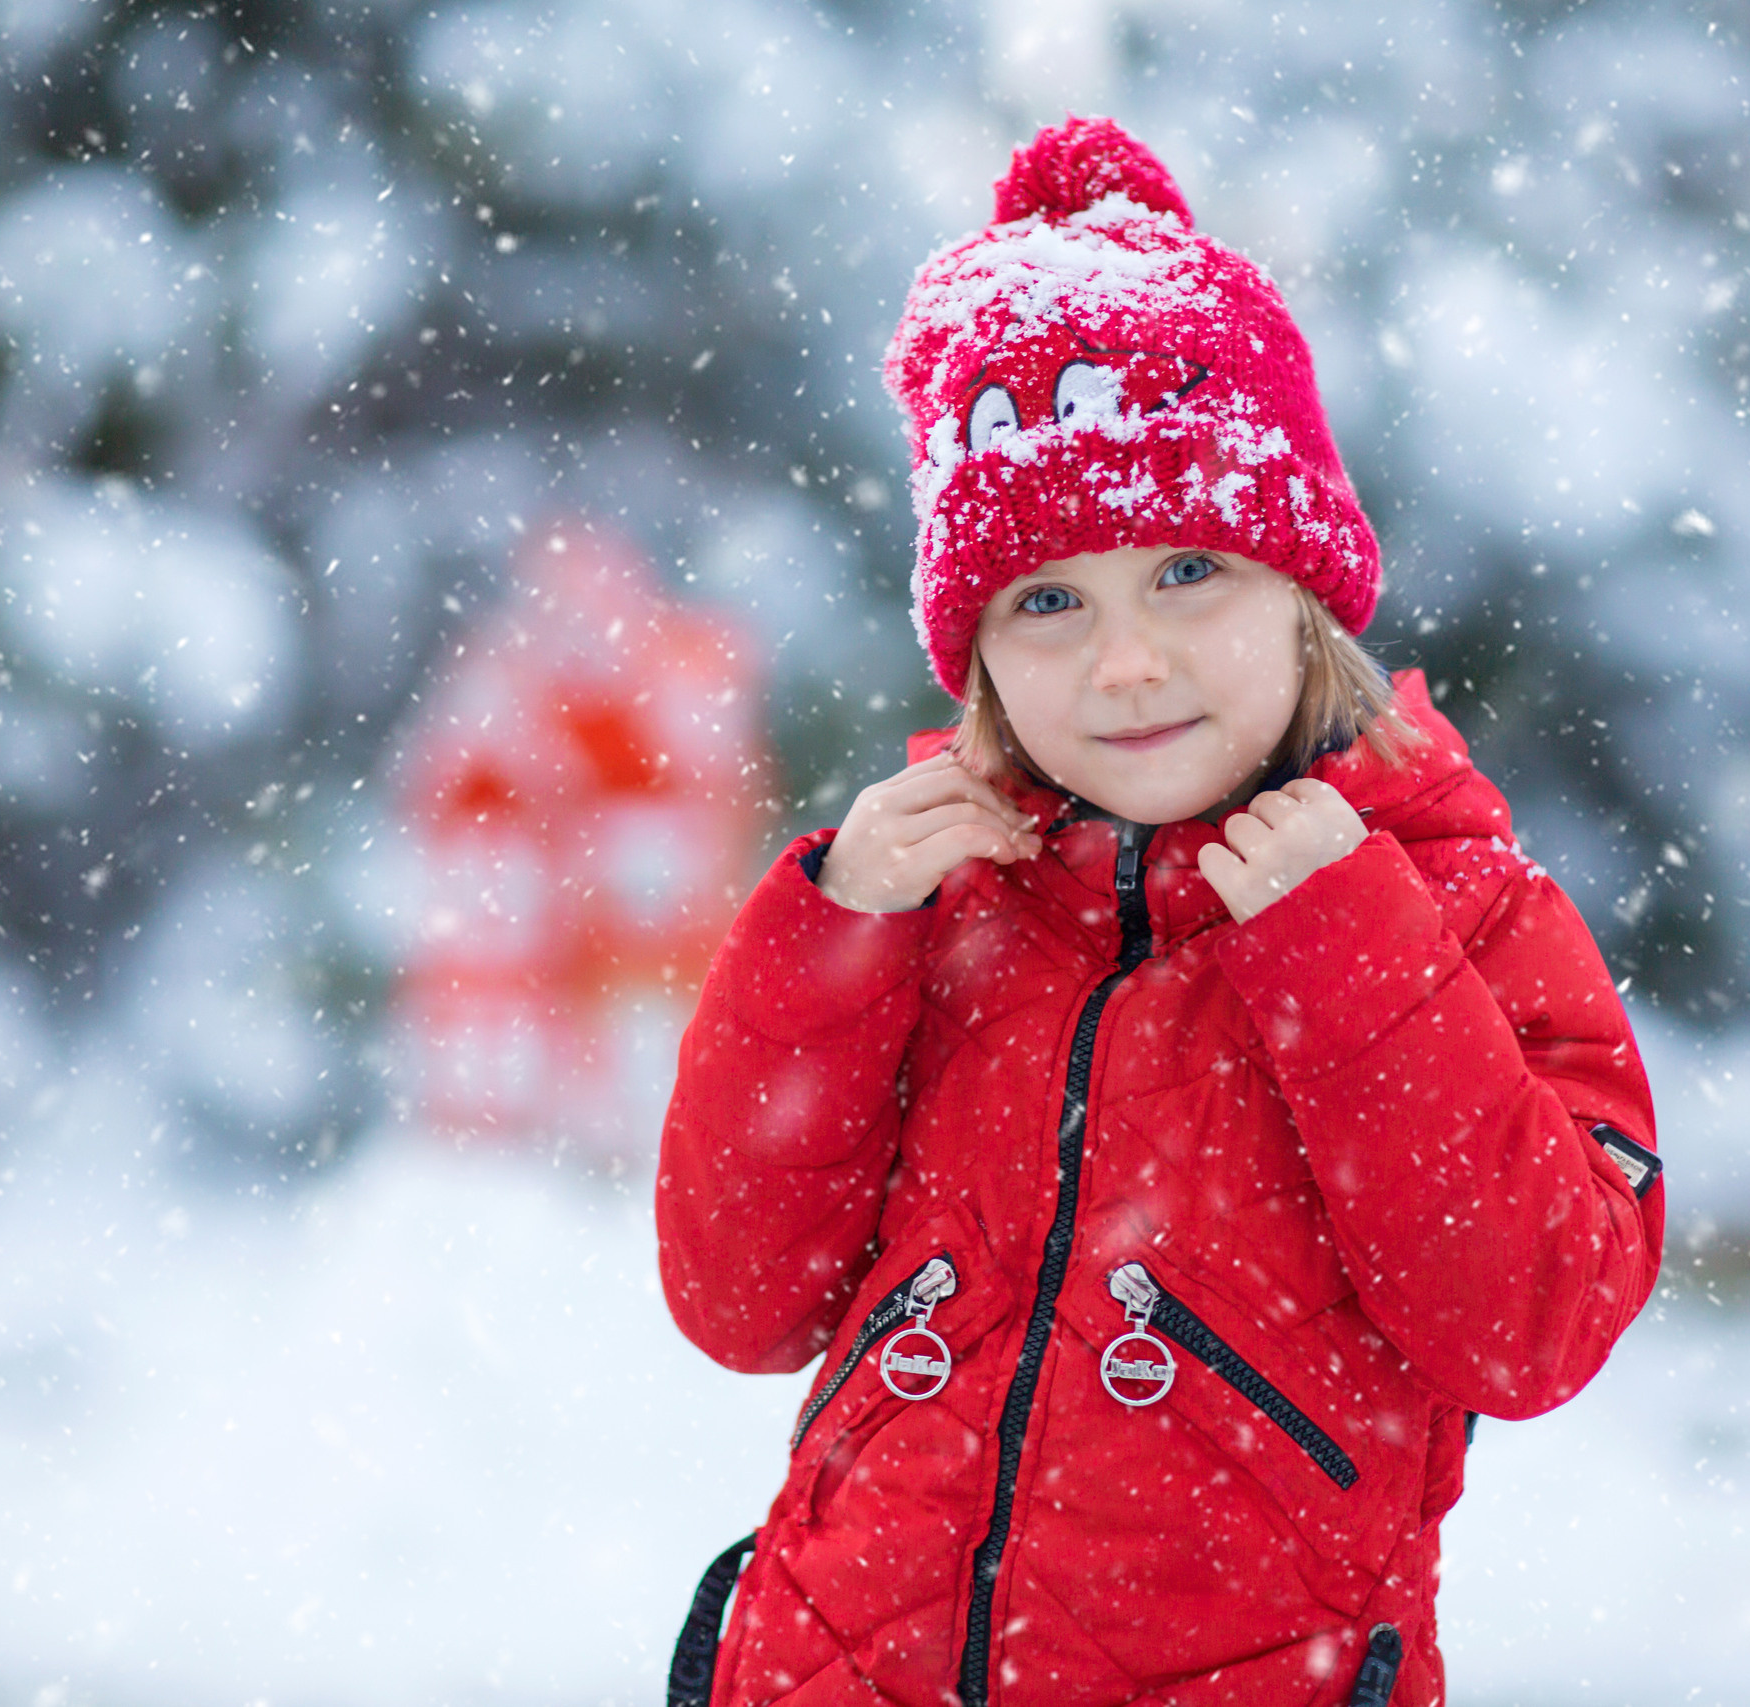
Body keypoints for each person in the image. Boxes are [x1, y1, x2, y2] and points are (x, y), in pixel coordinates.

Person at [656, 115, 1663, 1707]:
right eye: (1049, 601)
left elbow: (1535, 1321)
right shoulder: (936, 900)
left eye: (1189, 573)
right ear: (978, 653)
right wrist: (831, 933)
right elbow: (739, 1302)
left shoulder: (1446, 900)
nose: (1125, 663)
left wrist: (1345, 946)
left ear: (1304, 595)